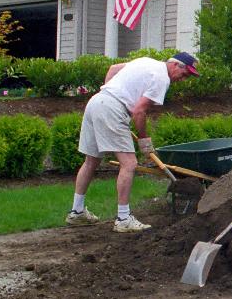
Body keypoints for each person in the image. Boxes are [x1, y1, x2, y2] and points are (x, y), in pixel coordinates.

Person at [66, 52, 199, 232]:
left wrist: (110, 98)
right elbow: (139, 111)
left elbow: (113, 69)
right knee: (129, 164)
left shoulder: (146, 62)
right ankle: (123, 218)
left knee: (91, 161)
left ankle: (77, 211)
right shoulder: (162, 79)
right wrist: (144, 139)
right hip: (112, 108)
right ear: (176, 65)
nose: (182, 79)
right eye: (184, 75)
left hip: (97, 102)